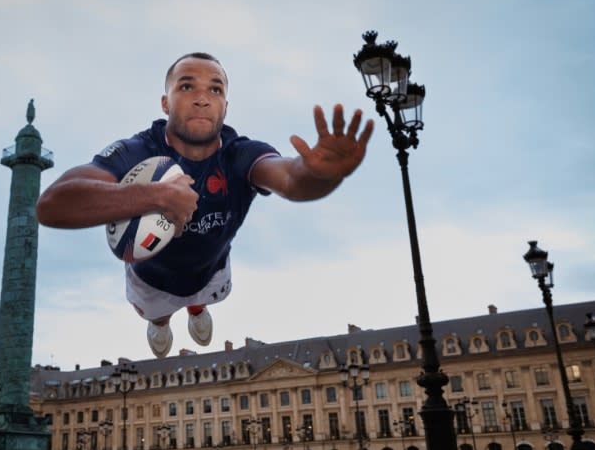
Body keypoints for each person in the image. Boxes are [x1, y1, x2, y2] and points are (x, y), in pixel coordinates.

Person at [36, 52, 374, 358]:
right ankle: (161, 322)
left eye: (215, 90)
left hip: (211, 272)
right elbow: (51, 205)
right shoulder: (138, 151)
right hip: (150, 278)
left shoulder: (240, 154)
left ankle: (197, 309)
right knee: (159, 312)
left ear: (226, 106)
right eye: (186, 86)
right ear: (165, 103)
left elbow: (290, 178)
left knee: (200, 298)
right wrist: (155, 195)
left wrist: (322, 175)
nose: (202, 98)